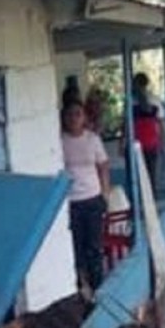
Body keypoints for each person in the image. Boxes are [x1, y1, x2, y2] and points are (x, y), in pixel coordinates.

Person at [61, 101, 111, 294]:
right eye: (70, 114)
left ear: (84, 118)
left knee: (95, 246)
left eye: (78, 114)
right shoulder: (60, 141)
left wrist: (105, 192)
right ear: (64, 118)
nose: (74, 118)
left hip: (92, 197)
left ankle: (98, 286)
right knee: (77, 247)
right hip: (71, 201)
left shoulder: (92, 140)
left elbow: (103, 165)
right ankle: (82, 286)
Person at [131, 73, 164, 188]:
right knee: (150, 172)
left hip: (138, 141)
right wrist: (162, 142)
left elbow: (126, 123)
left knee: (139, 173)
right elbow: (161, 124)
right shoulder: (155, 100)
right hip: (150, 141)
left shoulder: (132, 102)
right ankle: (151, 198)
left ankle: (143, 199)